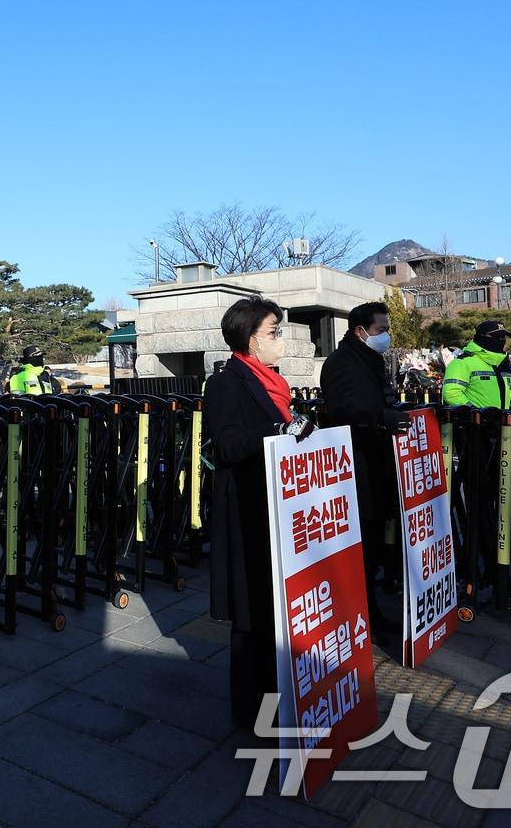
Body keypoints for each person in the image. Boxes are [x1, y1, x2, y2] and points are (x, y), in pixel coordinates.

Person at [203, 296, 314, 727]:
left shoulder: (272, 381)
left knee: (274, 613)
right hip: (249, 512)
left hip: (277, 509)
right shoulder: (228, 382)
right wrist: (279, 429)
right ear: (250, 340)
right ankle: (254, 717)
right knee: (253, 619)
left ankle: (281, 699)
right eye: (274, 332)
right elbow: (230, 444)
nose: (280, 340)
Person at [319, 302, 411, 632]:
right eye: (381, 330)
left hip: (375, 463)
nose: (385, 336)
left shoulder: (368, 359)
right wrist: (381, 419)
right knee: (363, 545)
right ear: (360, 331)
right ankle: (363, 614)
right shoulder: (342, 363)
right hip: (358, 469)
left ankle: (368, 605)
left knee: (373, 543)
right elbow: (343, 412)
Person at [441, 320, 511, 409]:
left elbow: (509, 391)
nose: (501, 340)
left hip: (503, 421)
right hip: (474, 422)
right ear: (481, 337)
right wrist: (476, 413)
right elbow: (451, 393)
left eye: (503, 337)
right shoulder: (462, 363)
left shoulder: (502, 363)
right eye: (496, 336)